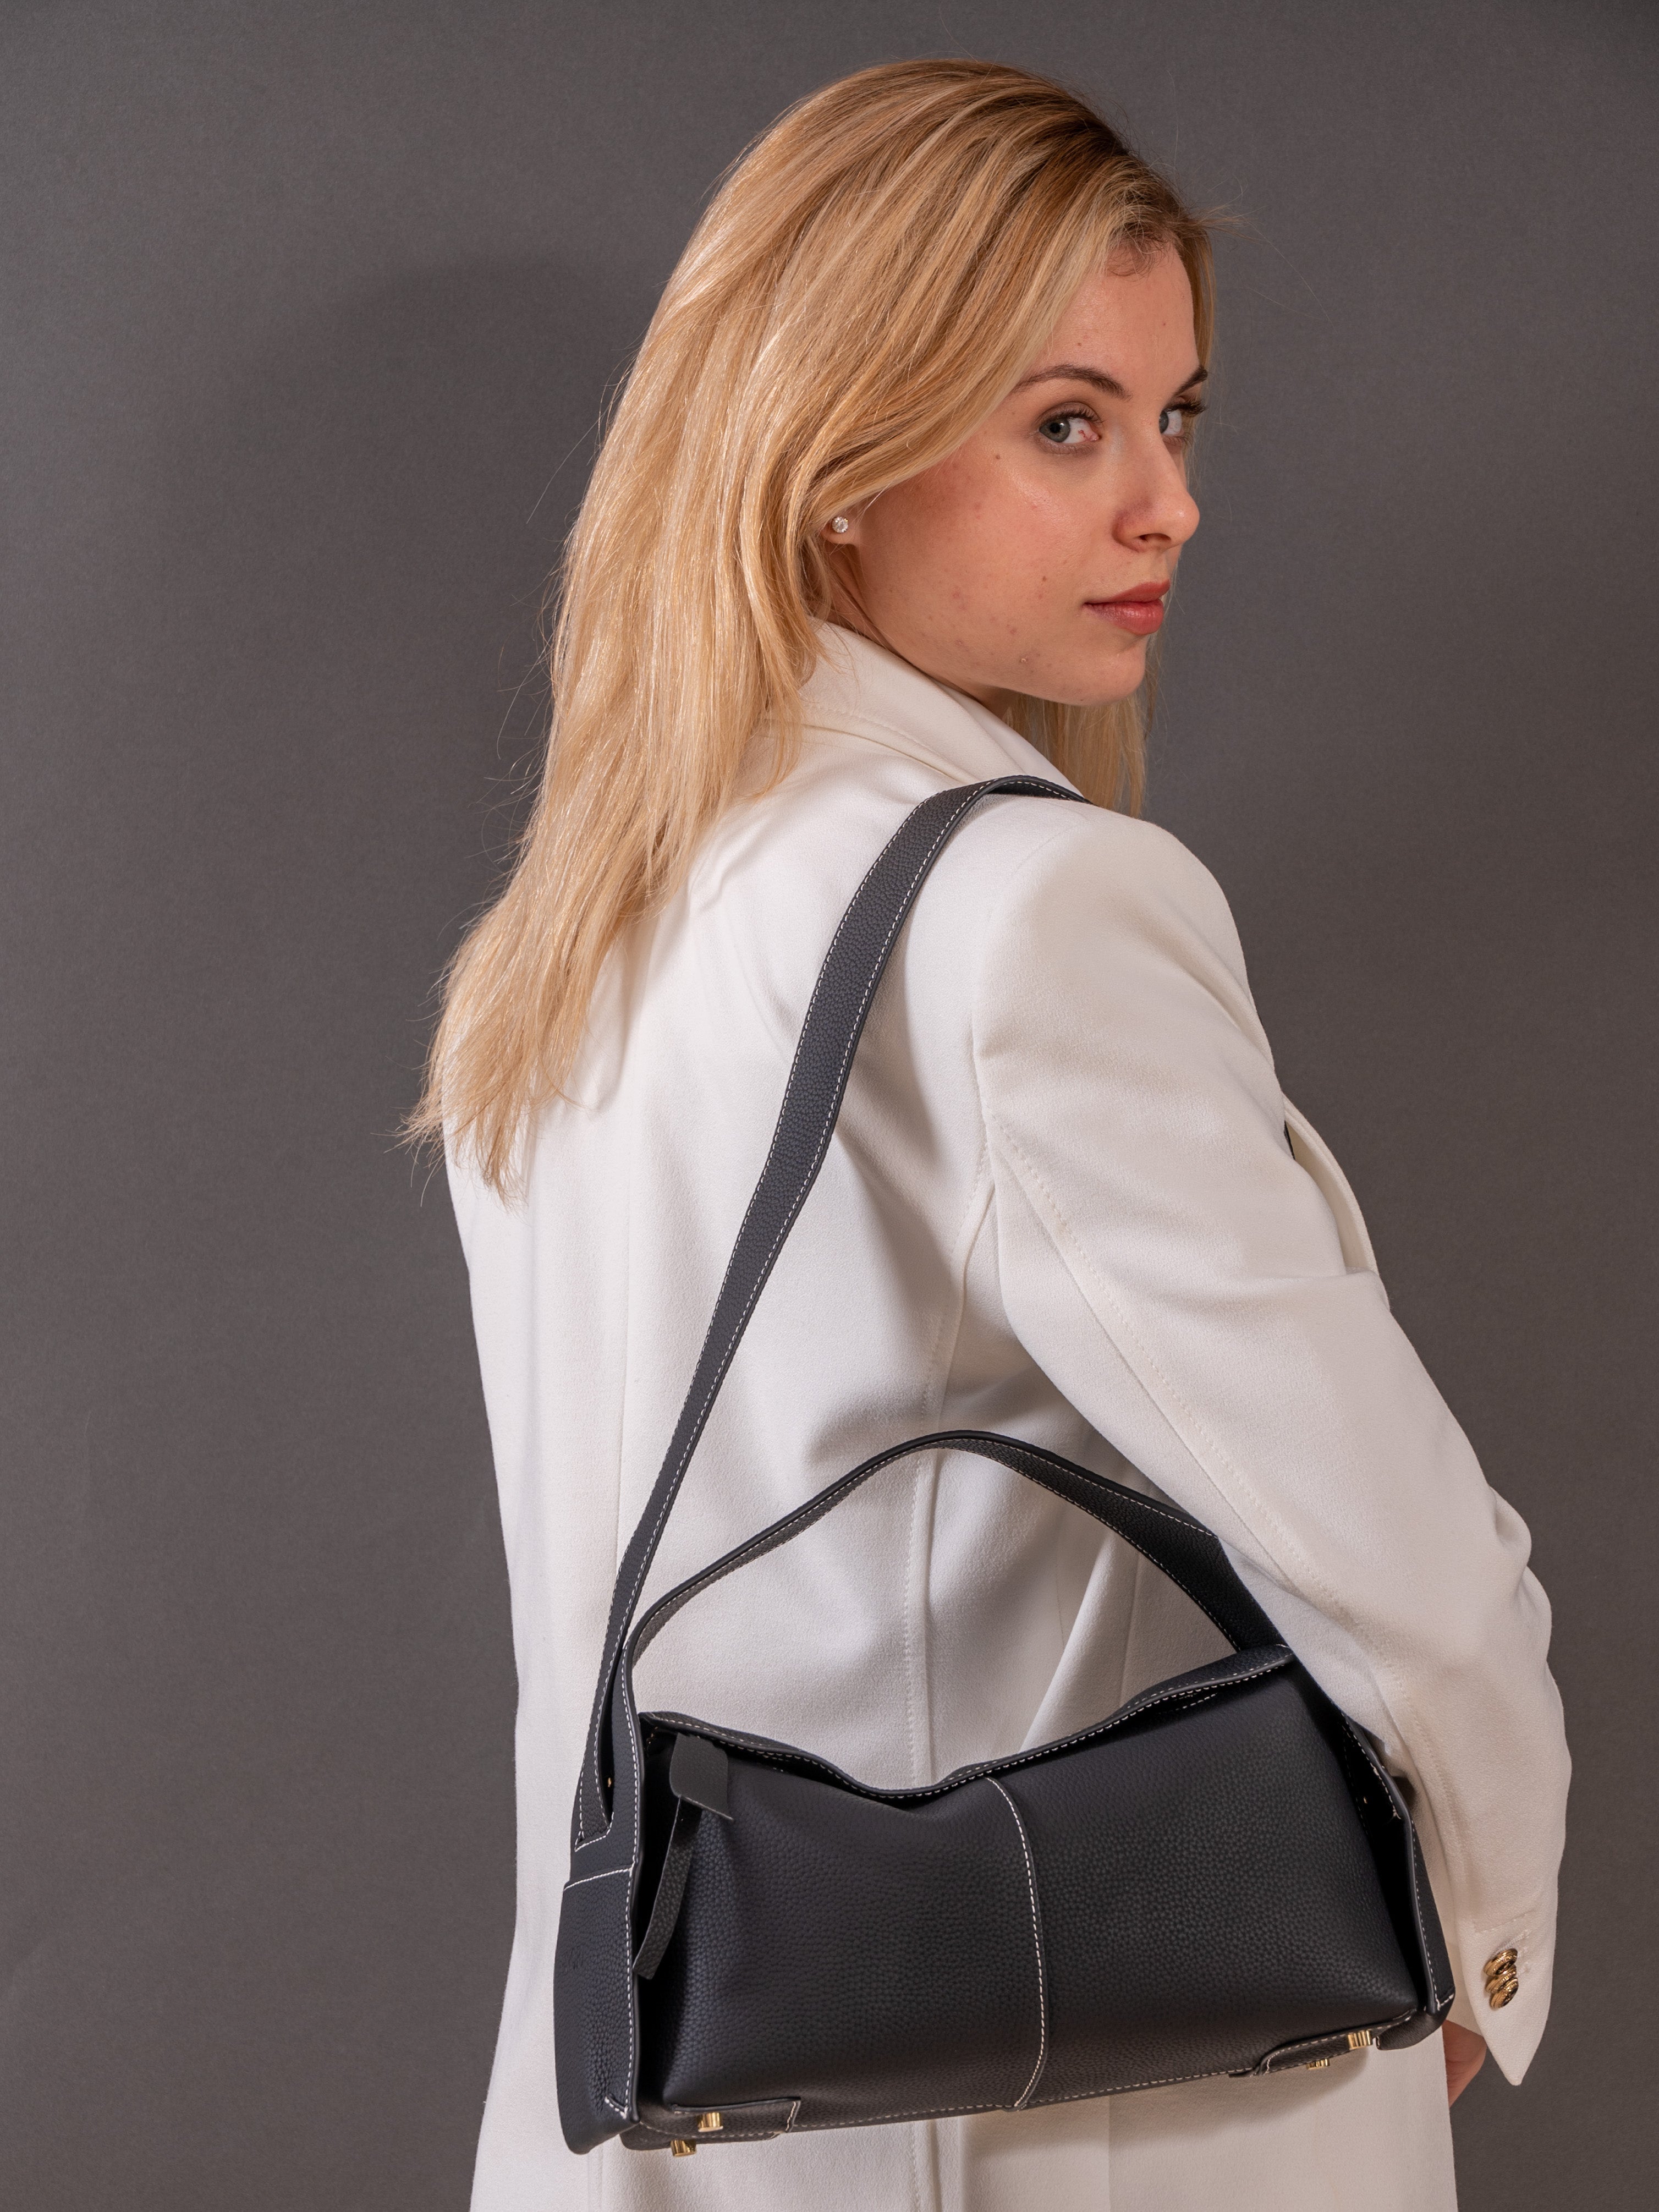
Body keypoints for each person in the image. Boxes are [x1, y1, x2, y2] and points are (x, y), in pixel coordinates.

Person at [414, 58, 1569, 2212]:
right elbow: (1394, 1562)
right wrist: (1488, 1933)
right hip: (1070, 2110)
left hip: (664, 2107)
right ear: (833, 455)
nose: (1167, 503)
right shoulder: (1033, 907)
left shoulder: (572, 944)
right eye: (1067, 423)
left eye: (1175, 417)